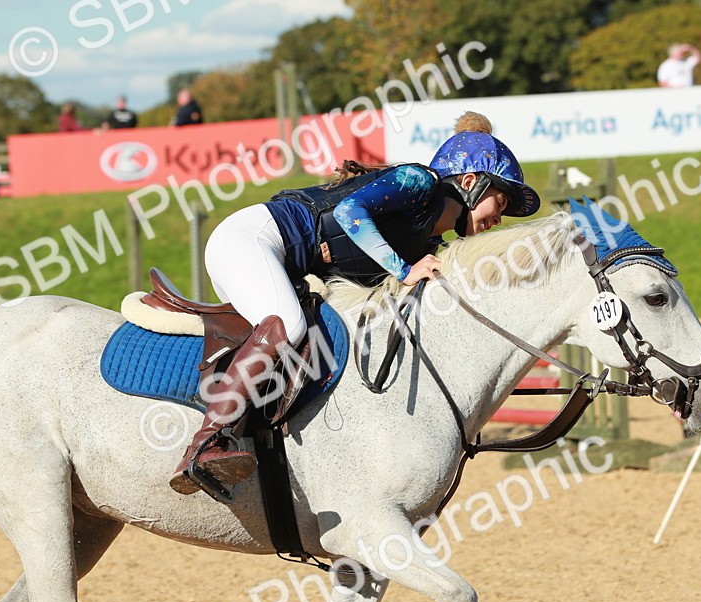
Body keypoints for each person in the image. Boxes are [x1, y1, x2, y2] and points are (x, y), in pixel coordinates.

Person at [168, 112, 541, 495]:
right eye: (502, 200)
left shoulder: (428, 244)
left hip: (279, 261)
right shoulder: (420, 183)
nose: (501, 217)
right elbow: (349, 213)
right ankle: (204, 445)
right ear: (469, 183)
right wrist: (402, 270)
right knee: (290, 326)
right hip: (253, 241)